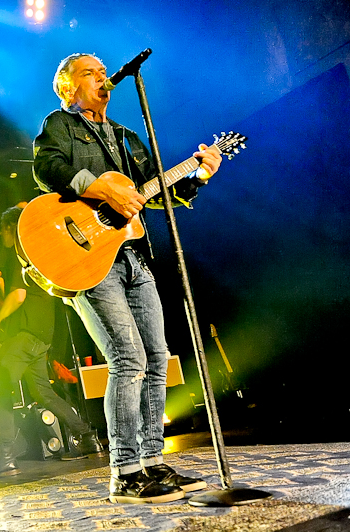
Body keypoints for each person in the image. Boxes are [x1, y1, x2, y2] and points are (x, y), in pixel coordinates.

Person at [32, 53, 222, 503]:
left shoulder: (126, 137)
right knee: (129, 359)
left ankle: (154, 462)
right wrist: (99, 187)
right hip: (88, 258)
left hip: (134, 256)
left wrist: (197, 174)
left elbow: (156, 191)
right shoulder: (60, 125)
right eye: (89, 72)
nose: (101, 76)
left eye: (103, 70)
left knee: (158, 359)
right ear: (68, 88)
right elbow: (47, 169)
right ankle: (125, 471)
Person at [0, 206, 103, 482]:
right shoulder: (39, 255)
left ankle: (4, 457)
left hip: (25, 336)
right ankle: (88, 437)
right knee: (44, 393)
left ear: (10, 228)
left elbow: (17, 296)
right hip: (42, 337)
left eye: (2, 228)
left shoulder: (17, 254)